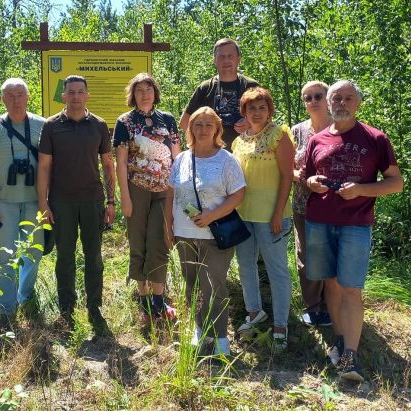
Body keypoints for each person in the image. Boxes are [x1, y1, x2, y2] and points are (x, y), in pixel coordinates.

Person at [304, 80, 403, 382]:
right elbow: (306, 178)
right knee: (331, 284)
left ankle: (351, 355)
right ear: (329, 103)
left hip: (356, 225)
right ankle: (338, 338)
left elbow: (395, 183)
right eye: (336, 98)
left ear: (358, 103)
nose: (342, 103)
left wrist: (361, 189)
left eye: (348, 98)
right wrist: (310, 183)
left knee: (350, 288)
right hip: (319, 221)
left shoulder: (375, 138)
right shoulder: (316, 140)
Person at [37, 75, 116, 336]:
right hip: (61, 203)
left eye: (80, 92)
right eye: (70, 92)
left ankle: (94, 307)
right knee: (65, 257)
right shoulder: (51, 126)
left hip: (93, 201)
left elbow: (107, 164)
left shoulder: (99, 125)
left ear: (87, 96)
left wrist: (111, 200)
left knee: (94, 257)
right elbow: (45, 166)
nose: (75, 97)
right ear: (63, 96)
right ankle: (66, 308)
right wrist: (43, 202)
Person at [167, 107, 246, 355]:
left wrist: (211, 215)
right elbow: (171, 192)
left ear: (217, 129)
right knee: (192, 286)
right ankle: (201, 333)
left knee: (214, 286)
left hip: (215, 235)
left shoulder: (226, 159)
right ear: (190, 129)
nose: (202, 130)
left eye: (208, 125)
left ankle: (221, 339)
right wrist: (168, 227)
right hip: (183, 232)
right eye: (197, 124)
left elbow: (239, 194)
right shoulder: (181, 159)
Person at [231, 87, 295, 353]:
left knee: (276, 270)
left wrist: (278, 213)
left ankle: (281, 324)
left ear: (270, 111)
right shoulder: (238, 141)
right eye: (251, 108)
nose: (256, 113)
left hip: (271, 217)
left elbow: (287, 177)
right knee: (246, 266)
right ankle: (254, 313)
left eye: (262, 108)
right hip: (242, 215)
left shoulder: (279, 136)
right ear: (243, 112)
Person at [0, 78, 46, 331]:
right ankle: (6, 309)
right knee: (4, 256)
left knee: (34, 253)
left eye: (20, 94)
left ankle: (25, 297)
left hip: (34, 202)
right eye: (10, 95)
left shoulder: (41, 125)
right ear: (2, 99)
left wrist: (45, 201)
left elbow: (50, 166)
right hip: (3, 203)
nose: (15, 99)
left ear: (28, 97)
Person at [114, 73, 180, 323]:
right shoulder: (125, 122)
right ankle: (143, 301)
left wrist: (179, 192)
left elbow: (177, 156)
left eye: (149, 89)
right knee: (138, 243)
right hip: (137, 189)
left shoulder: (168, 120)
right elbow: (121, 163)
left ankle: (159, 301)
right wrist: (125, 198)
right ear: (133, 94)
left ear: (155, 92)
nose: (145, 94)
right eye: (139, 90)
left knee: (160, 242)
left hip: (165, 190)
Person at [291, 81, 333, 328]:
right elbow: (288, 168)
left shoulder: (341, 128)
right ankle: (312, 306)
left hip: (335, 206)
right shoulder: (296, 131)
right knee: (306, 255)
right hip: (303, 202)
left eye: (318, 96)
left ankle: (330, 306)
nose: (313, 101)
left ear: (328, 98)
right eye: (308, 98)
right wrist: (306, 180)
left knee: (330, 254)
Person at [180, 38, 259, 150]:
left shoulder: (251, 87)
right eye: (221, 56)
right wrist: (199, 144)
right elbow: (184, 121)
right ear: (214, 60)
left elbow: (267, 118)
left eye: (230, 56)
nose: (226, 60)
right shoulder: (205, 88)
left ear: (238, 59)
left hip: (247, 153)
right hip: (212, 156)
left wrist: (251, 122)